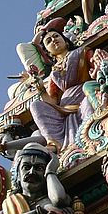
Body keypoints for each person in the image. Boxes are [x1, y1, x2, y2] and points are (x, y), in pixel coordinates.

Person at [28, 19, 94, 152]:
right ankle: (55, 144)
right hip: (64, 109)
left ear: (65, 39)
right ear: (48, 52)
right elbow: (53, 101)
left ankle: (92, 132)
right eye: (48, 41)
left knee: (88, 103)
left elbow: (97, 68)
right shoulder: (54, 72)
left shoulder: (82, 52)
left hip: (86, 95)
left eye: (56, 36)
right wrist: (41, 89)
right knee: (35, 105)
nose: (53, 40)